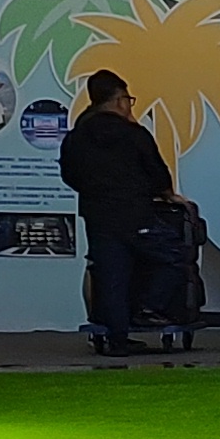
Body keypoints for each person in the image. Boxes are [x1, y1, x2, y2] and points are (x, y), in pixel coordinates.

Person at [58, 69, 174, 354]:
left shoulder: (77, 136)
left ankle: (117, 338)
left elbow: (69, 175)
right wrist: (166, 194)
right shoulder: (133, 134)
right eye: (128, 99)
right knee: (173, 257)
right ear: (120, 100)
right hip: (136, 212)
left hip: (97, 214)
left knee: (111, 275)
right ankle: (148, 309)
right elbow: (157, 173)